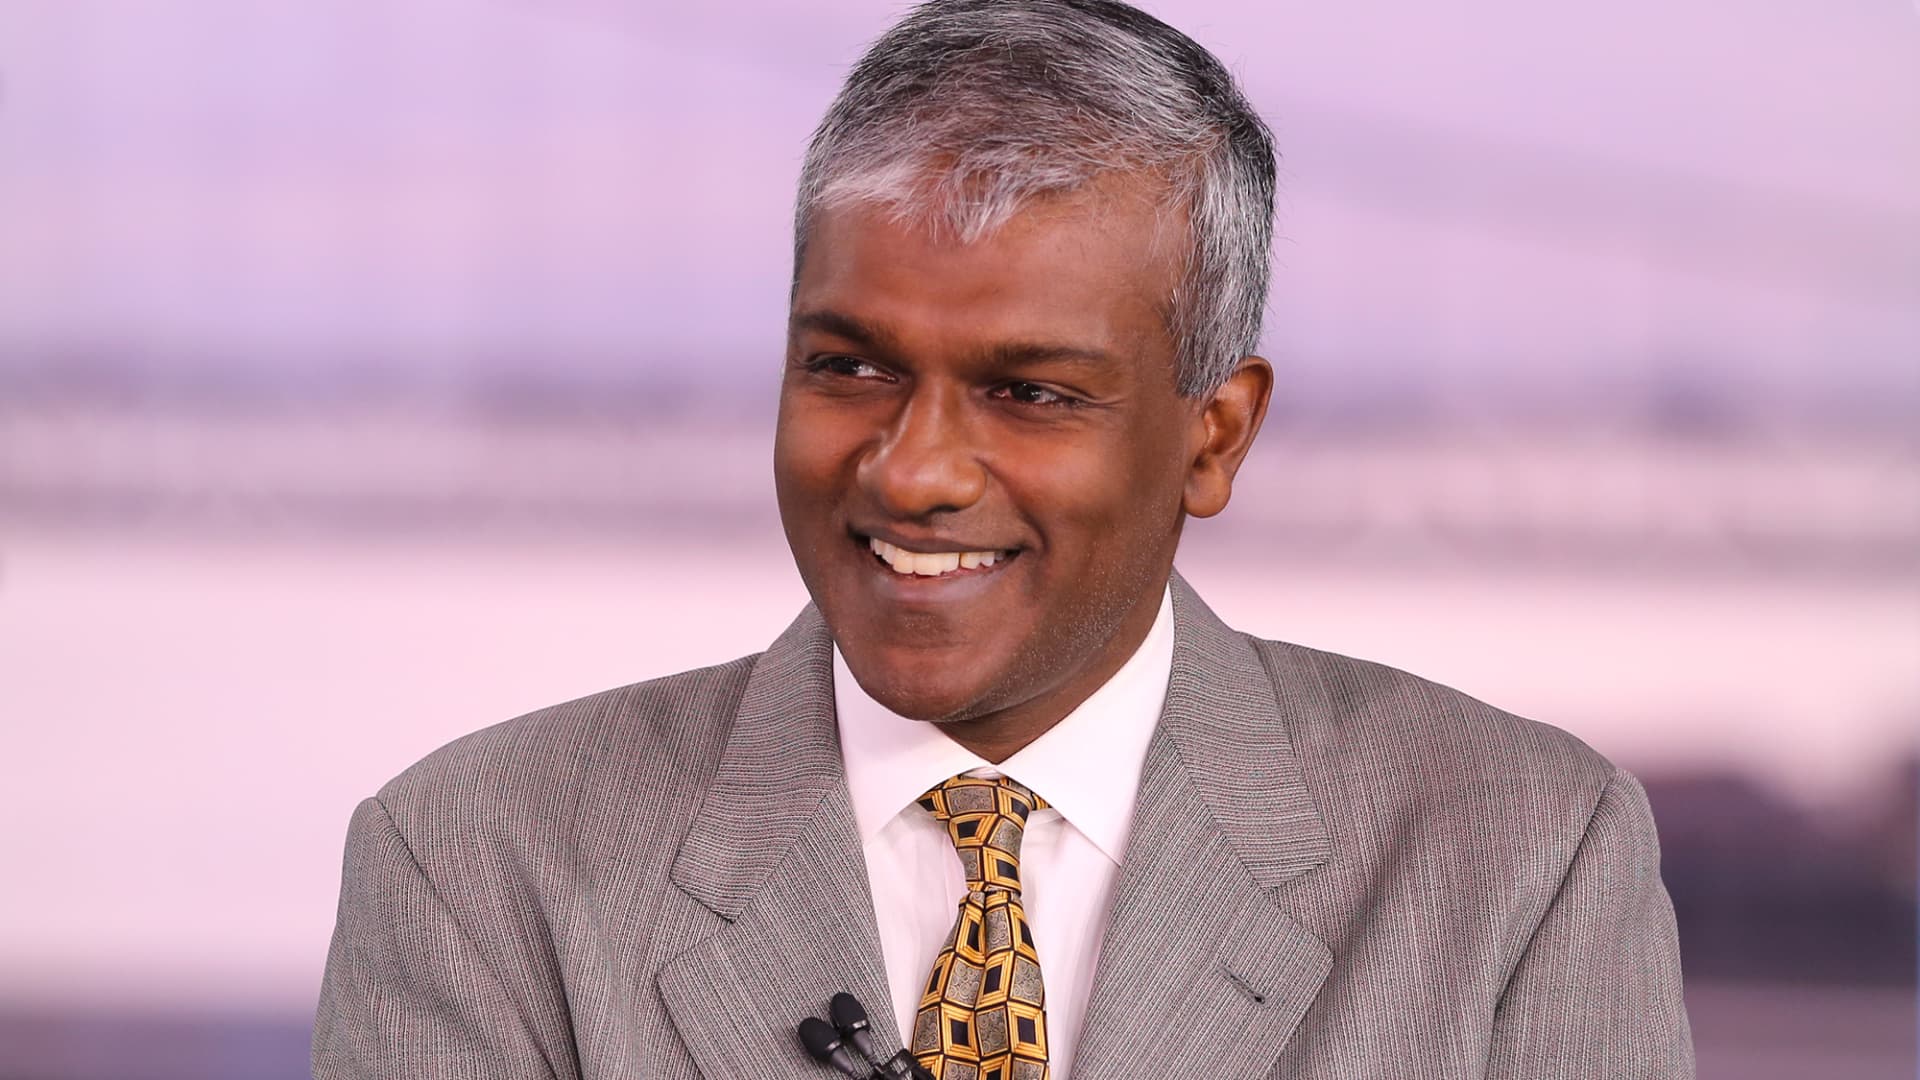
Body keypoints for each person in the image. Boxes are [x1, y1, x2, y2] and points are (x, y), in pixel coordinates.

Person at [312, 1, 1693, 1077]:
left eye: (1029, 392)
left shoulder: (1521, 859)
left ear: (1214, 436)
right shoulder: (474, 865)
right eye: (849, 367)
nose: (912, 471)